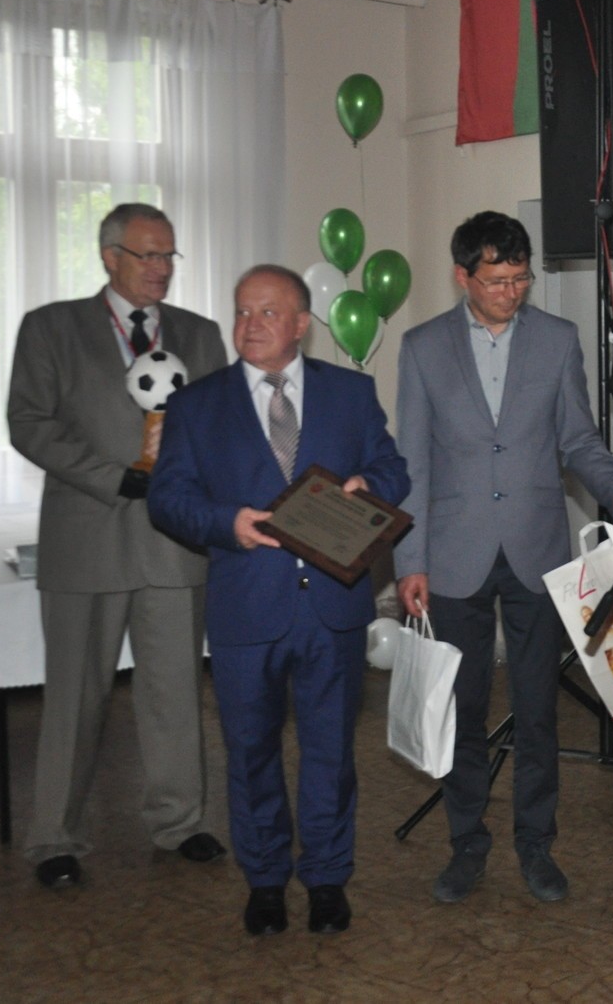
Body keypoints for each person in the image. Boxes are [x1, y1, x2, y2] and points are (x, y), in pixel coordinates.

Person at [392, 210, 613, 905]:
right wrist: (409, 560)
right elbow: (411, 462)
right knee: (464, 706)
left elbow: (579, 439)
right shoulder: (423, 348)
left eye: (520, 278)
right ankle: (466, 843)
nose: (511, 291)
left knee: (538, 709)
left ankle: (536, 844)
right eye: (496, 280)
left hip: (536, 549)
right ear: (462, 276)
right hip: (453, 554)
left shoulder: (557, 340)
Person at [149, 264, 408, 937]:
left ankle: (327, 878)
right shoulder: (197, 404)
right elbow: (167, 497)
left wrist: (367, 486)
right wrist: (225, 523)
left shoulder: (350, 392)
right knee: (250, 752)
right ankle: (264, 879)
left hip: (332, 605)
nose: (251, 324)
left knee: (330, 753)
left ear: (300, 324)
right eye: (242, 311)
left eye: (268, 312)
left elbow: (393, 468)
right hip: (246, 604)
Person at [7, 202, 230, 889]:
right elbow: (28, 423)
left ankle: (180, 822)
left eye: (169, 255)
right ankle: (55, 836)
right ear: (110, 257)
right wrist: (115, 478)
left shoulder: (200, 334)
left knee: (173, 692)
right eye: (147, 254)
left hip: (173, 544)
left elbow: (222, 426)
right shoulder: (50, 327)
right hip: (86, 537)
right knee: (75, 697)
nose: (161, 268)